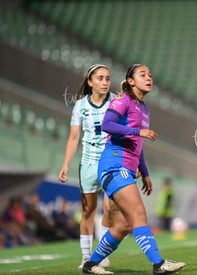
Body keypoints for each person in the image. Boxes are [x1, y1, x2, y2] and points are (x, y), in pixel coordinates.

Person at [82, 64, 186, 275]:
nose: (149, 78)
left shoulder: (143, 108)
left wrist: (145, 172)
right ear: (131, 81)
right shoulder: (123, 101)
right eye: (143, 75)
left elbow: (136, 145)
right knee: (138, 213)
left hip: (127, 168)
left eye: (150, 74)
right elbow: (107, 125)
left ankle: (91, 264)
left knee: (123, 226)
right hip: (113, 165)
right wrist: (138, 131)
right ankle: (158, 264)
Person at [58, 64, 113, 269]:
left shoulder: (116, 101)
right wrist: (65, 165)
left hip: (111, 162)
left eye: (107, 78)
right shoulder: (80, 105)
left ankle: (103, 251)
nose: (105, 82)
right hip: (88, 163)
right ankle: (86, 257)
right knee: (88, 210)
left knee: (110, 208)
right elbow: (74, 137)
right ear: (90, 82)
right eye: (100, 78)